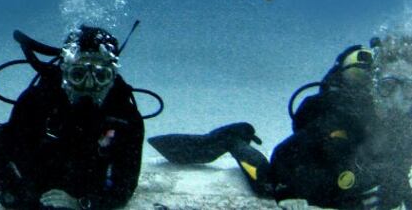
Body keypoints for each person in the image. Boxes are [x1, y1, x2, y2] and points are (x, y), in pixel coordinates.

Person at [149, 35, 412, 209]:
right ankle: (233, 139)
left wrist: (398, 186)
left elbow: (399, 162)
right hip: (304, 166)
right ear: (374, 84)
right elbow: (288, 160)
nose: (399, 99)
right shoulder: (338, 112)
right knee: (267, 184)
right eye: (389, 87)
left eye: (409, 89)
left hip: (350, 175)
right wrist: (348, 190)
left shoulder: (404, 121)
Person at [0, 25, 145, 210]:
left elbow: (125, 183)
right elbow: (4, 154)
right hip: (40, 164)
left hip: (83, 172)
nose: (88, 86)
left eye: (101, 76)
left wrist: (84, 203)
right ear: (65, 72)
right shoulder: (38, 99)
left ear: (113, 76)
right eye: (78, 75)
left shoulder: (126, 117)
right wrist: (23, 192)